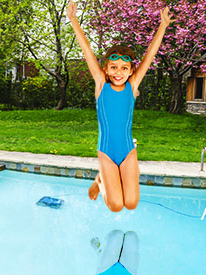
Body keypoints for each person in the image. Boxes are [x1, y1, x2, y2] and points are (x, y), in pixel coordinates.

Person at [66, 0, 175, 212]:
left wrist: (162, 26)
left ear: (131, 71)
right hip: (106, 151)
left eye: (124, 68)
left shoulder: (132, 86)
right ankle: (99, 181)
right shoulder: (101, 85)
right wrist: (74, 21)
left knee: (131, 204)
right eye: (113, 67)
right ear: (106, 69)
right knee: (116, 206)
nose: (118, 72)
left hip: (127, 150)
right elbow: (87, 50)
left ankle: (105, 179)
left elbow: (149, 57)